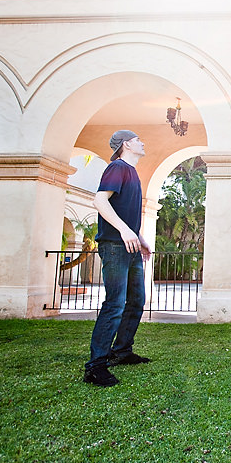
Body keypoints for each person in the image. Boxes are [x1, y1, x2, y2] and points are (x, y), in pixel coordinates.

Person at [83, 130, 152, 387]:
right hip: (114, 246)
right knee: (115, 303)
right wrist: (124, 231)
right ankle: (95, 367)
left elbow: (124, 211)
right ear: (126, 144)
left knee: (136, 301)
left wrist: (139, 237)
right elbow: (100, 201)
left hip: (130, 246)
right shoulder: (118, 167)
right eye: (138, 139)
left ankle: (122, 351)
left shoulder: (132, 172)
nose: (142, 141)